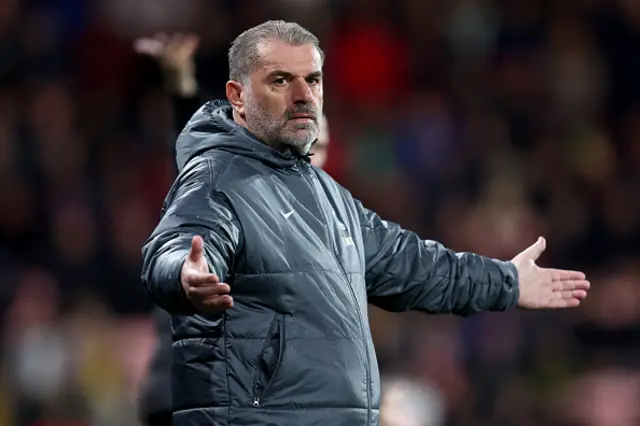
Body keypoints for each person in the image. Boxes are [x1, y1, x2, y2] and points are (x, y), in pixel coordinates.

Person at [140, 20, 590, 426]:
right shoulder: (219, 176)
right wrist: (184, 274)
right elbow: (177, 245)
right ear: (237, 97)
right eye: (281, 80)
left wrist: (508, 280)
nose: (302, 95)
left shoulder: (330, 198)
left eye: (312, 80)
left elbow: (417, 267)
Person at [133, 32, 331, 426]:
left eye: (320, 146)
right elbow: (196, 148)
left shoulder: (325, 229)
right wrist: (182, 87)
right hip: (190, 393)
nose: (310, 152)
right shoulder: (228, 183)